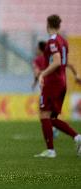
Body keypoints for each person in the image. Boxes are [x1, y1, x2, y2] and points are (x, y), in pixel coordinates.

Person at [34, 14, 81, 158]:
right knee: (52, 118)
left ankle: (50, 150)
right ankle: (77, 137)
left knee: (44, 114)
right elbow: (65, 62)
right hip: (62, 81)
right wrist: (75, 74)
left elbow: (57, 61)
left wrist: (42, 74)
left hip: (52, 82)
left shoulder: (53, 41)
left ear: (48, 24)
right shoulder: (63, 41)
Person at [31, 41, 81, 138]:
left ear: (40, 49)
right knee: (52, 113)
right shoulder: (53, 58)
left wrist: (36, 80)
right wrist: (76, 75)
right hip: (58, 86)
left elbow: (37, 73)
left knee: (43, 113)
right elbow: (70, 65)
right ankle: (69, 134)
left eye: (37, 48)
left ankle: (53, 137)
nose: (36, 50)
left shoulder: (37, 60)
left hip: (46, 87)